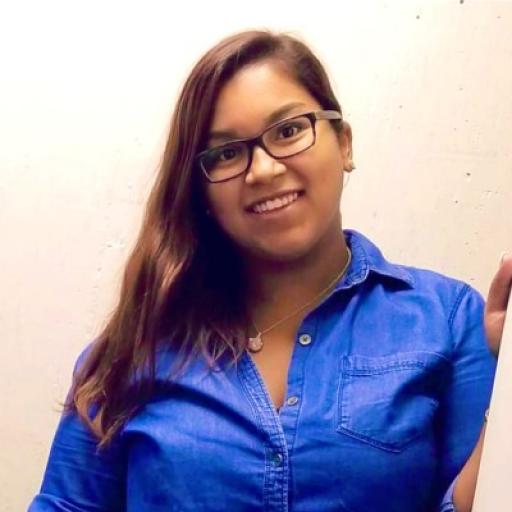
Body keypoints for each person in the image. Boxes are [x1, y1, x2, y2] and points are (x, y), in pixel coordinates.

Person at [29, 30, 511, 512]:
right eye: (226, 153)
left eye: (288, 131)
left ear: (344, 143)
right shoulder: (134, 350)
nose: (262, 170)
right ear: (200, 190)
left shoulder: (447, 319)